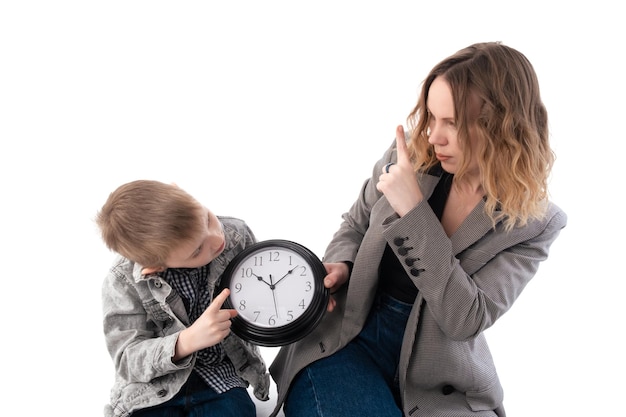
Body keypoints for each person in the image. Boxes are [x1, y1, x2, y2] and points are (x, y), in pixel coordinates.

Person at [268, 42, 567, 417]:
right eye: (431, 117)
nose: (434, 137)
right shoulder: (408, 156)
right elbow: (355, 225)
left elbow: (465, 318)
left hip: (441, 376)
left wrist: (414, 212)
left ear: (502, 126)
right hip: (348, 339)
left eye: (453, 123)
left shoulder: (533, 223)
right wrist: (340, 265)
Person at [96, 180, 270, 417]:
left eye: (207, 218)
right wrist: (187, 341)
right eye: (197, 250)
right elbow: (128, 361)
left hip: (220, 378)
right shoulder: (122, 282)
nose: (217, 239)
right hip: (153, 390)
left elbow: (260, 289)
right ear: (154, 267)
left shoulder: (237, 235)